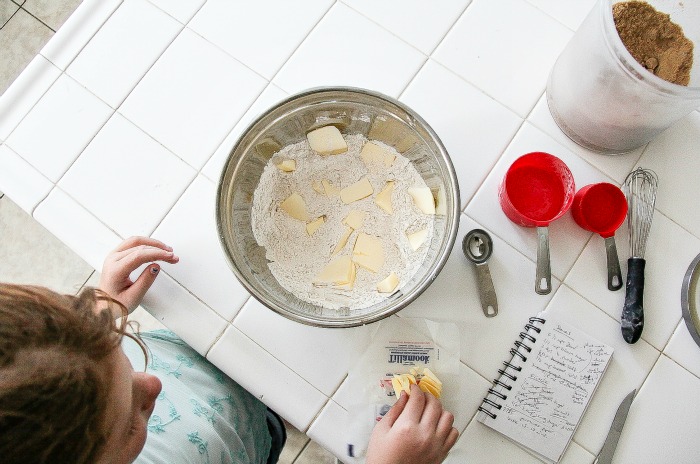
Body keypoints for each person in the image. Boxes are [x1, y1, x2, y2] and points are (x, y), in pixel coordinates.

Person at [0, 236, 458, 463]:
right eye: (129, 422)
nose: (152, 382)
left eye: (126, 352)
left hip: (220, 388)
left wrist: (102, 316)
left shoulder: (64, 371)